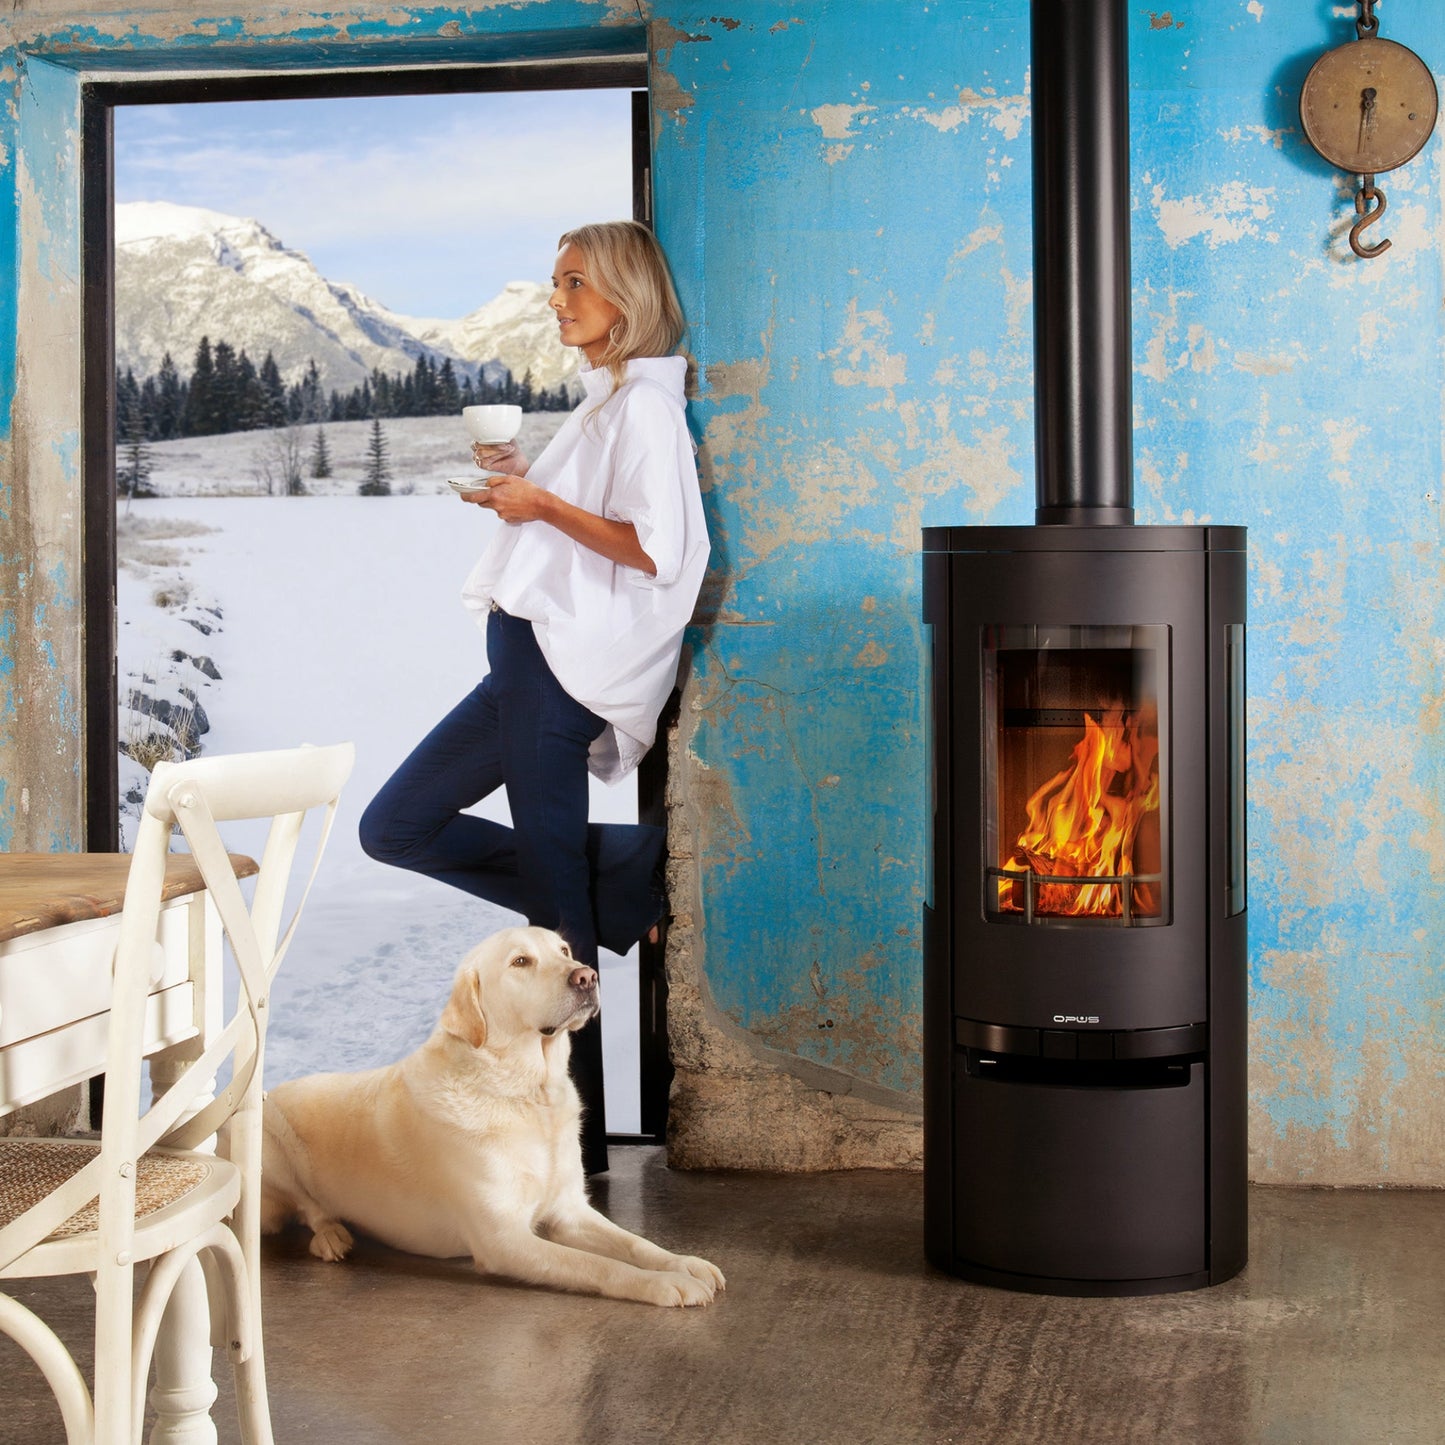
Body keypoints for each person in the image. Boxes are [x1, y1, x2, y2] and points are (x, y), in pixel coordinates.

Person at [359, 221, 709, 1174]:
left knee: (556, 916)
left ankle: (575, 1152)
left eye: (573, 283)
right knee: (395, 825)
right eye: (554, 283)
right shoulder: (608, 402)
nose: (556, 299)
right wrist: (527, 485)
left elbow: (656, 551)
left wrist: (540, 507)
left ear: (625, 296)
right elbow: (587, 529)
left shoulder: (641, 408)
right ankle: (631, 871)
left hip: (558, 680)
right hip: (524, 673)